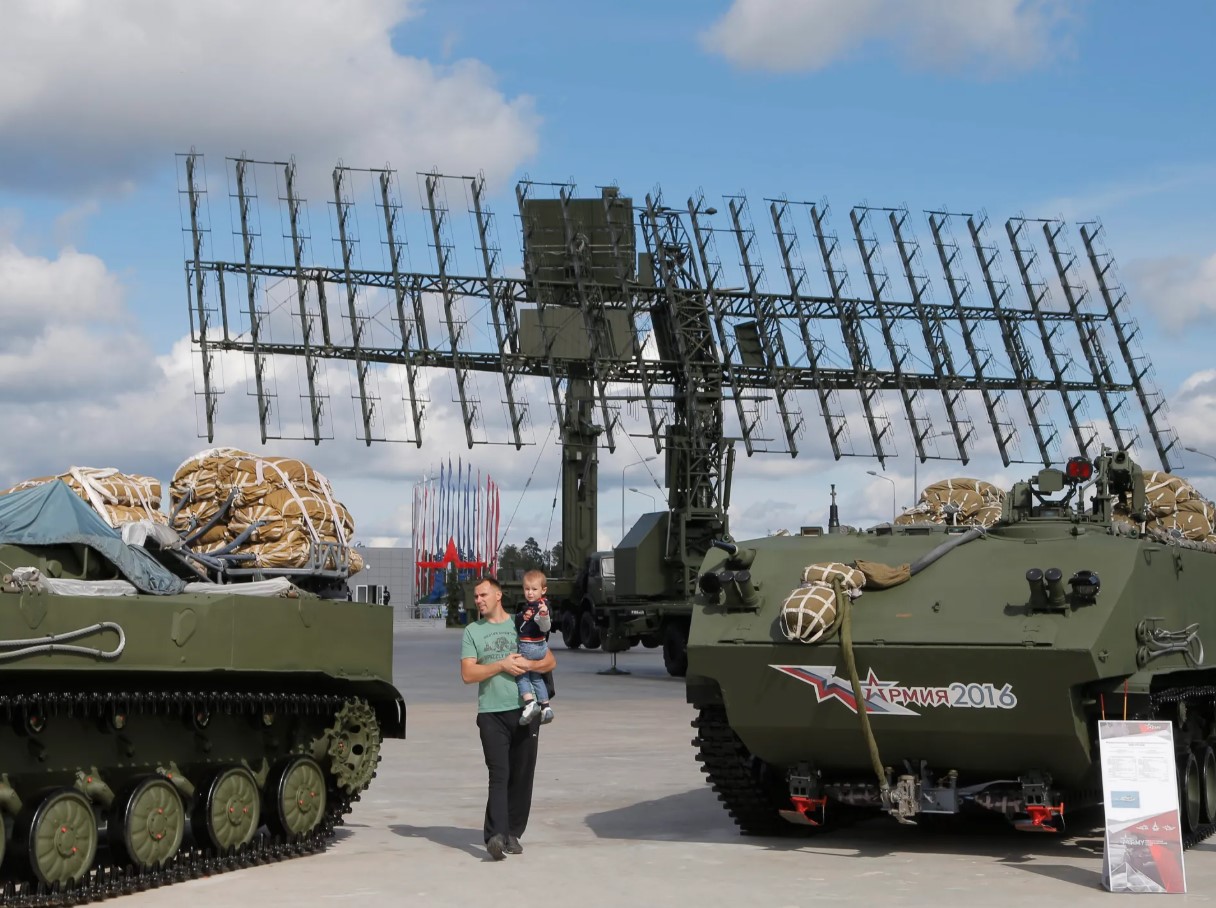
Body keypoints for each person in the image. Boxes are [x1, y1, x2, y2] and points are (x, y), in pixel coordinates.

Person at [460, 576, 556, 861]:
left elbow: (550, 661)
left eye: (483, 595)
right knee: (499, 774)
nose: (478, 600)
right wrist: (501, 665)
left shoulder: (521, 623)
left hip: (526, 711)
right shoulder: (471, 631)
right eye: (476, 596)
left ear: (498, 595)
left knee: (522, 775)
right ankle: (495, 836)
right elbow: (468, 674)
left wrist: (528, 664)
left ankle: (513, 832)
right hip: (491, 713)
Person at [516, 569, 554, 725]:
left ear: (543, 590)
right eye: (527, 589)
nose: (530, 593)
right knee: (536, 677)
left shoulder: (539, 607)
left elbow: (544, 626)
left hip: (529, 646)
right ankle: (546, 707)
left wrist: (543, 615)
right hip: (541, 647)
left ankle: (530, 702)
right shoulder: (534, 605)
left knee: (521, 674)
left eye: (534, 589)